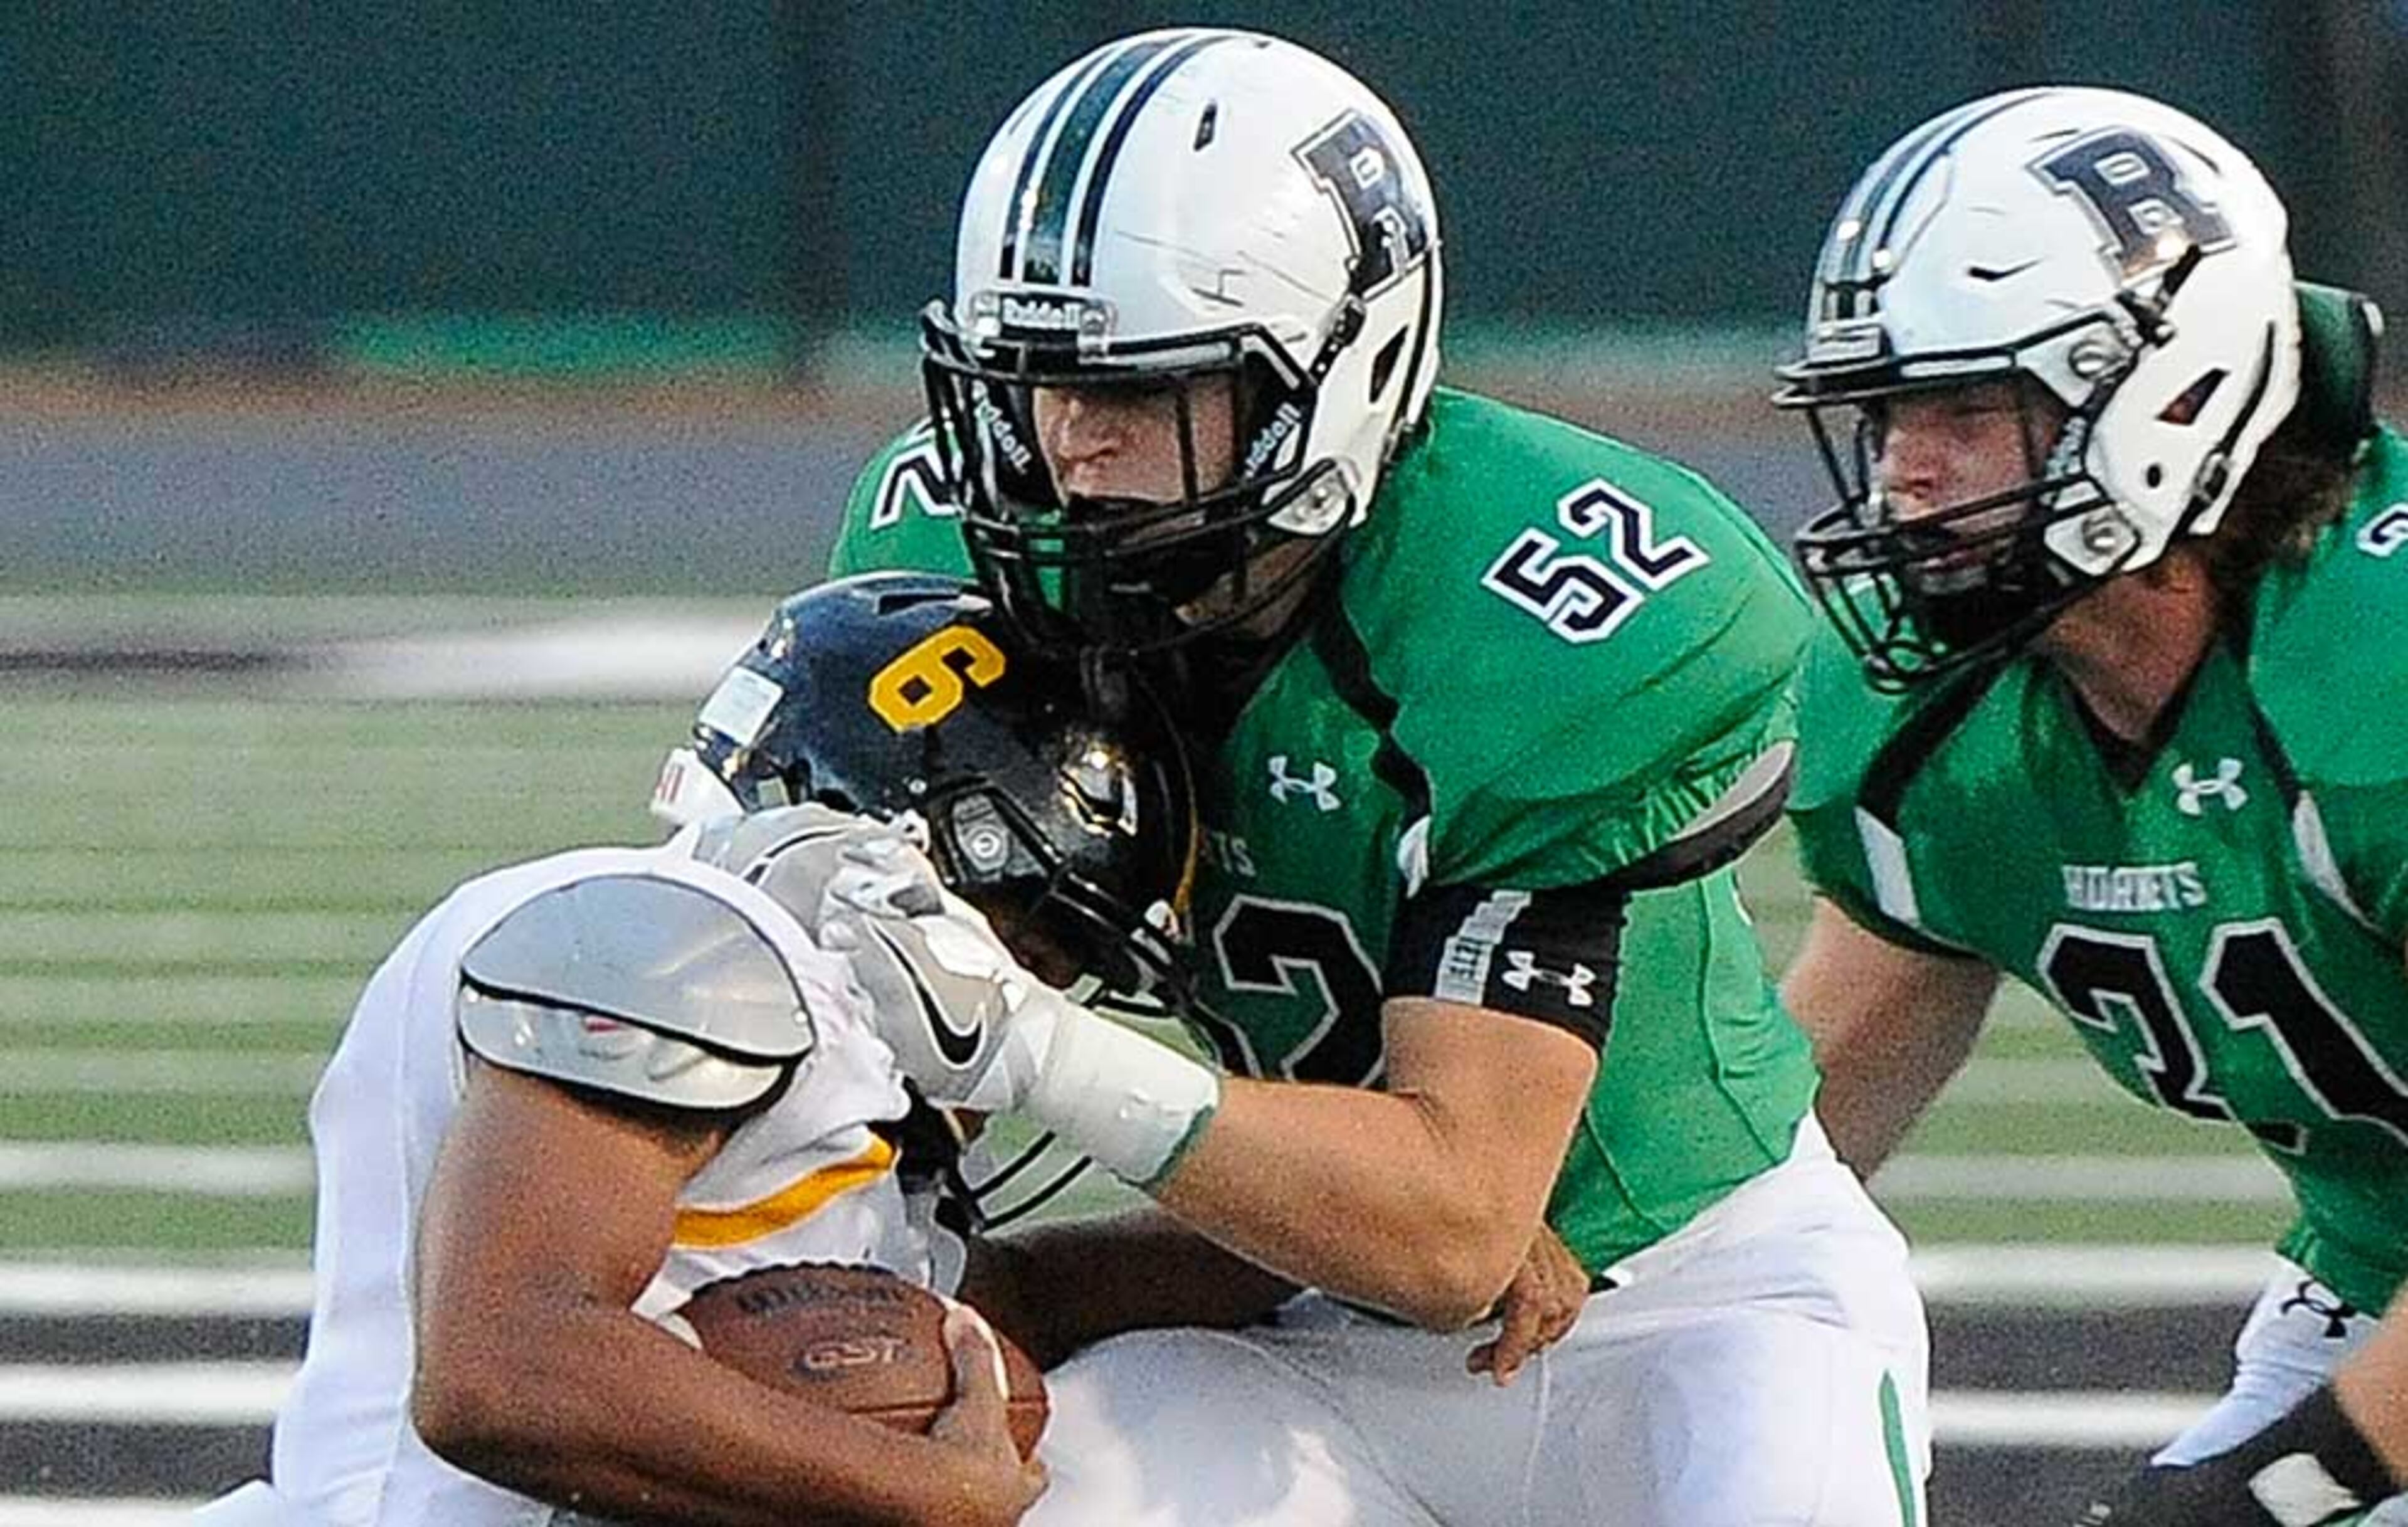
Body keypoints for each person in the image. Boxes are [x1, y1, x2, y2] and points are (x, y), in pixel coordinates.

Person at [824, 26, 1930, 1526]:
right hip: (1307, 1320)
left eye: (1141, 395)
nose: (1068, 451)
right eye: (1030, 386)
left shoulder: (1546, 610)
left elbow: (1456, 1230)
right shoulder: (943, 568)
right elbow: (891, 1076)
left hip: (1698, 1305)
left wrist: (1026, 1045)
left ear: (1333, 381)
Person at [198, 573, 1196, 1526]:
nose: (1024, 1002)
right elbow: (501, 1368)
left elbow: (1002, 1304)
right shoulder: (694, 943)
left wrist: (1317, 1259)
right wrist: (922, 1490)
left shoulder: (805, 1037)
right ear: (894, 852)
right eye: (1024, 951)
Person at [1772, 85, 2408, 1524]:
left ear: (2171, 394)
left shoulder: (2380, 673)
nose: (1903, 474)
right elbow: (1784, 1150)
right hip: (2374, 1282)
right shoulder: (1937, 716)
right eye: (1883, 416)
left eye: (1963, 406)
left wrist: (2295, 1480)